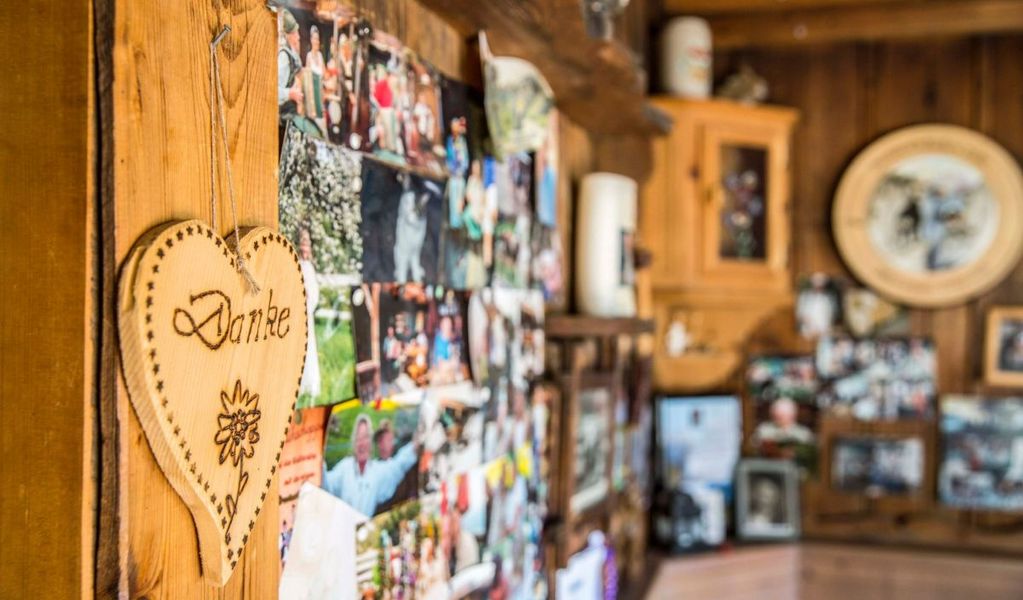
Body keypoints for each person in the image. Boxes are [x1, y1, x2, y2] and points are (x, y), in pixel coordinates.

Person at [322, 414, 418, 516]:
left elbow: (398, 465)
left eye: (365, 437)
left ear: (370, 443)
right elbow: (326, 485)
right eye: (358, 438)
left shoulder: (377, 471)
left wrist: (417, 444)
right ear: (354, 443)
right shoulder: (345, 467)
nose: (362, 443)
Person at [298, 229, 321, 398]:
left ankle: (310, 382)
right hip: (297, 312)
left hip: (307, 313)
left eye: (307, 245)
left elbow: (314, 291)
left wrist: (308, 296)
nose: (305, 248)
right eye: (302, 244)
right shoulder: (297, 264)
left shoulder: (309, 267)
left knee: (309, 347)